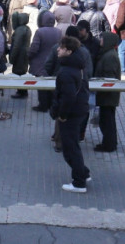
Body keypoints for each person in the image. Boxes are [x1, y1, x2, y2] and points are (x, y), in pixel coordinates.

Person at [51, 36, 91, 193]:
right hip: (79, 110)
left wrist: (62, 115)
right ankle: (84, 173)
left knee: (70, 148)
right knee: (73, 145)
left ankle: (79, 182)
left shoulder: (67, 72)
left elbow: (68, 97)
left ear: (69, 51)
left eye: (61, 47)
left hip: (71, 114)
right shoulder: (76, 65)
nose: (58, 49)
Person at [28, 10, 62, 112]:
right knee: (51, 84)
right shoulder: (58, 31)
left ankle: (42, 105)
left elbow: (34, 47)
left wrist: (29, 56)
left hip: (40, 62)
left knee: (41, 85)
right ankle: (51, 104)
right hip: (54, 62)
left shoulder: (40, 32)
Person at [93, 32, 122, 152]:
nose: (100, 40)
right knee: (106, 120)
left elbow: (109, 78)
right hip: (107, 95)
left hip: (108, 95)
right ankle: (109, 142)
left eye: (102, 38)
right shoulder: (107, 54)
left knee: (107, 121)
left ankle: (109, 144)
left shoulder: (110, 56)